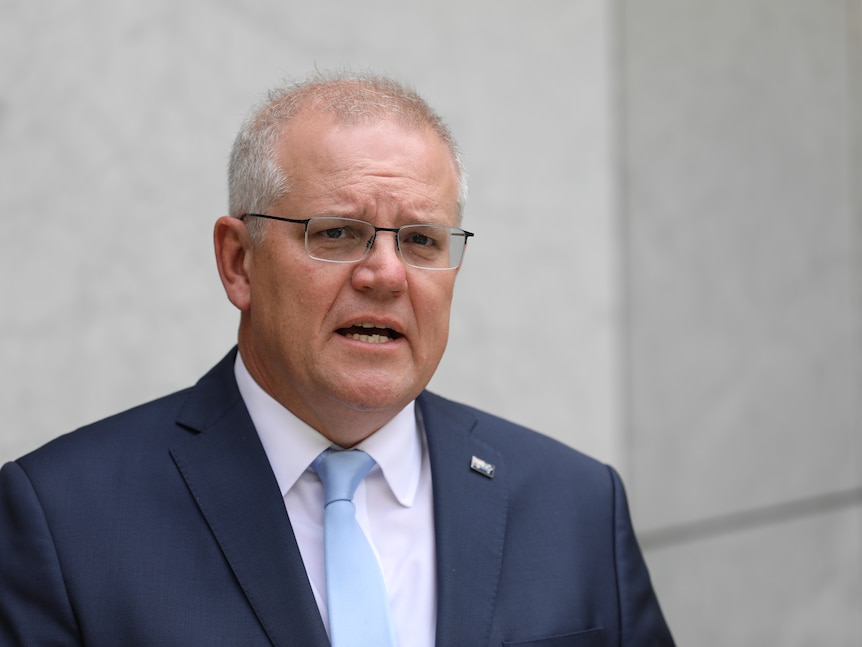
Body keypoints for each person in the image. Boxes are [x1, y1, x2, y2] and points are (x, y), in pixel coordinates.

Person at [0, 72, 674, 646]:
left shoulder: (577, 507)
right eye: (338, 233)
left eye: (420, 240)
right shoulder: (62, 519)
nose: (385, 274)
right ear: (239, 262)